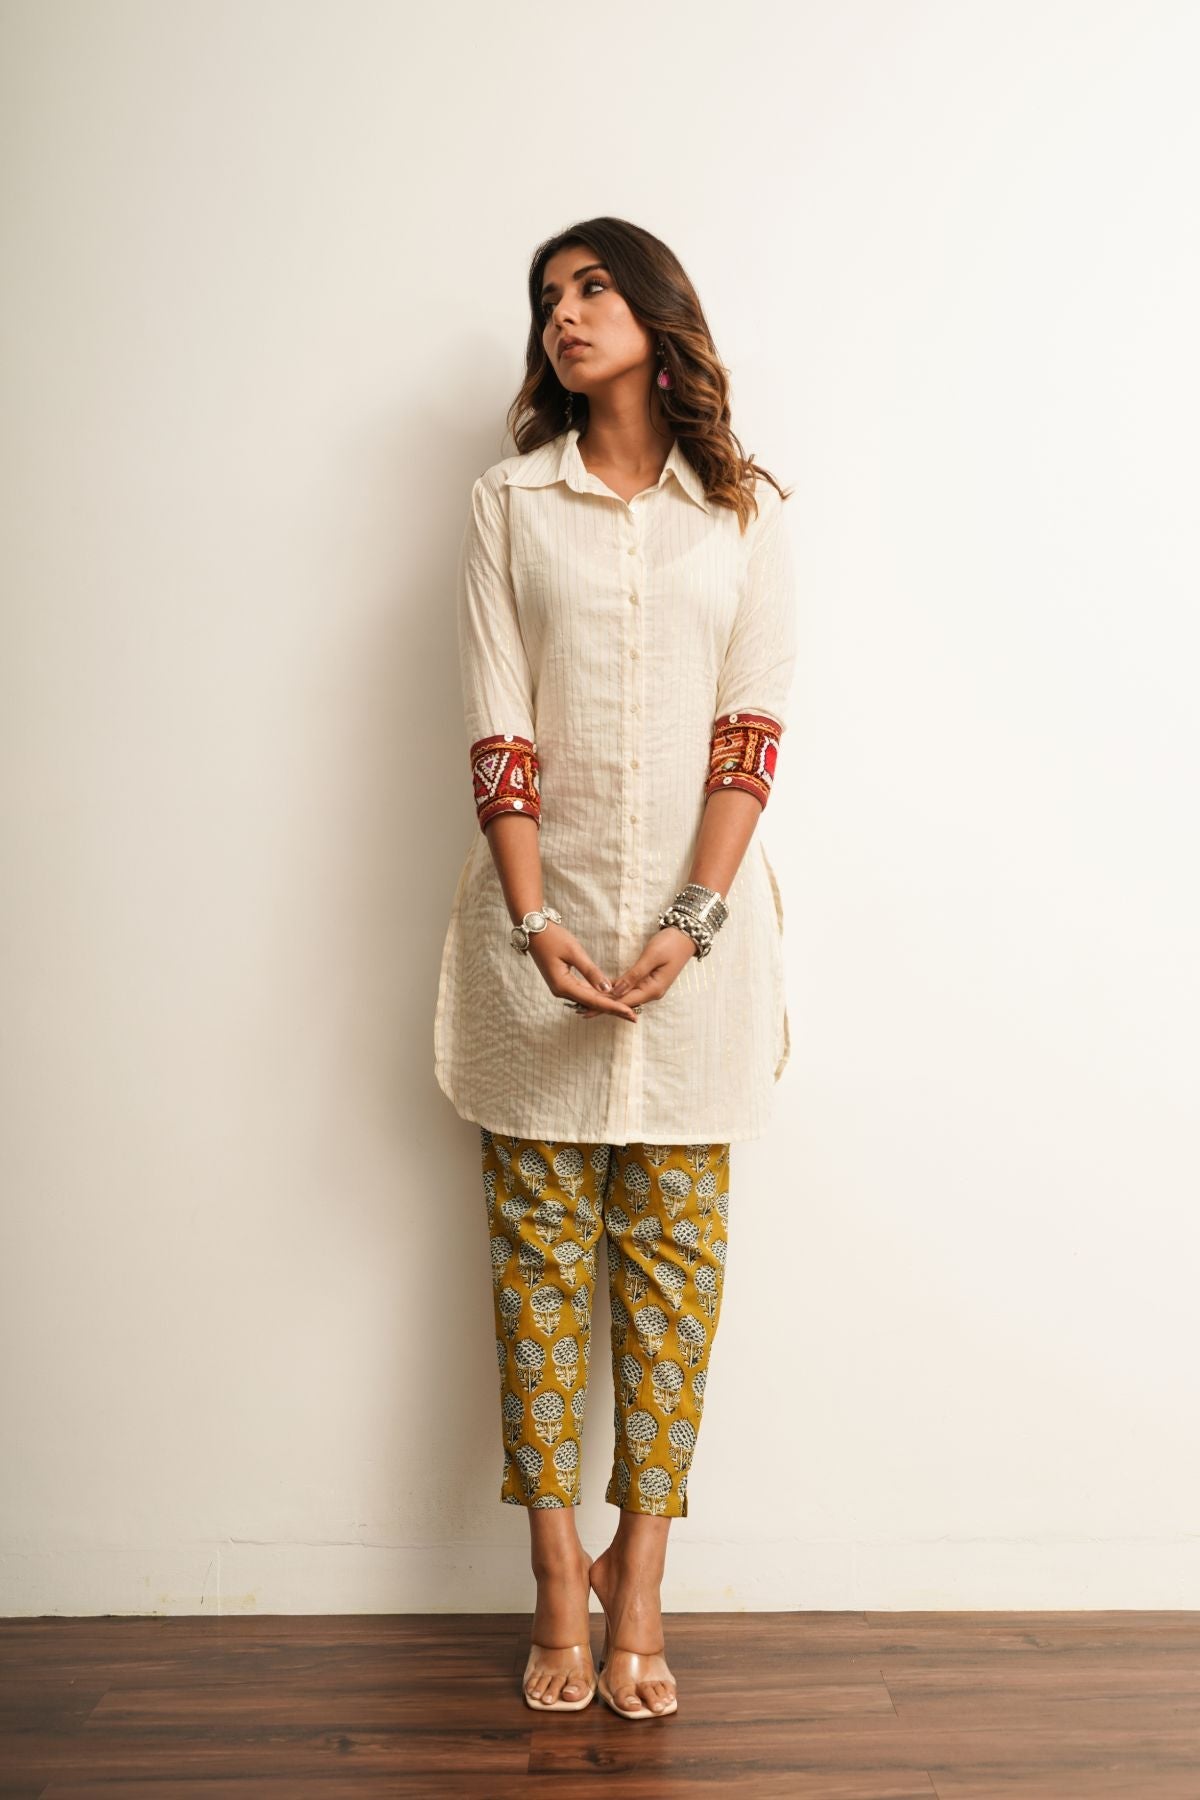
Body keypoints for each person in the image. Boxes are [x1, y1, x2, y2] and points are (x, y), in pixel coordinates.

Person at [433, 216, 798, 1720]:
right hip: (540, 943)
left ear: (657, 310)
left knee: (672, 1284)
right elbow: (498, 726)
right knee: (534, 1279)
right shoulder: (508, 502)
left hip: (696, 960)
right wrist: (539, 923)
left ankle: (639, 1581)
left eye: (591, 288)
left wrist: (690, 925)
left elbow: (749, 737)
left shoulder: (746, 514)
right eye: (547, 300)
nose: (564, 317)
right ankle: (551, 1575)